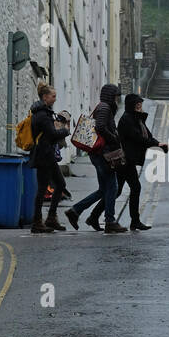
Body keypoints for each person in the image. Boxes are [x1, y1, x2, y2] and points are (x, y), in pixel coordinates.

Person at [86, 93, 166, 231]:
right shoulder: (127, 119)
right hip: (124, 159)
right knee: (134, 187)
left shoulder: (137, 119)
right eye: (138, 104)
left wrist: (159, 144)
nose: (140, 107)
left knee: (117, 191)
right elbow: (138, 138)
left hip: (127, 160)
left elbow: (148, 136)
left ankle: (94, 216)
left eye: (141, 104)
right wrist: (157, 145)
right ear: (132, 105)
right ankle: (134, 221)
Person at [65, 83, 128, 234]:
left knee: (103, 189)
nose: (117, 100)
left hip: (98, 154)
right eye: (115, 96)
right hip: (103, 155)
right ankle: (110, 221)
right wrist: (113, 138)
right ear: (109, 96)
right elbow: (100, 127)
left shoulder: (103, 107)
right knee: (113, 187)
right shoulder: (105, 108)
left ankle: (75, 210)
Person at [28, 83, 70, 233]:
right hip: (43, 156)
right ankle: (37, 222)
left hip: (46, 155)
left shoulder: (44, 112)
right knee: (43, 188)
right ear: (45, 97)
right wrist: (65, 130)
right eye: (53, 96)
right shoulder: (42, 115)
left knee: (59, 184)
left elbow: (48, 134)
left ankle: (50, 218)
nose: (55, 99)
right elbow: (52, 134)